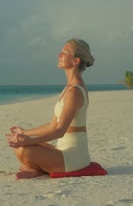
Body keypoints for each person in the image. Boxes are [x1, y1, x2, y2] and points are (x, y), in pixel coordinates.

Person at [6, 38, 95, 179]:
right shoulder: (68, 89)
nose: (59, 55)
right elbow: (53, 125)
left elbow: (59, 131)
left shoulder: (75, 92)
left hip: (73, 158)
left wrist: (29, 141)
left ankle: (35, 168)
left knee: (25, 149)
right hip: (62, 151)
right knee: (18, 144)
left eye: (64, 52)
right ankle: (37, 169)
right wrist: (25, 133)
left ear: (75, 61)